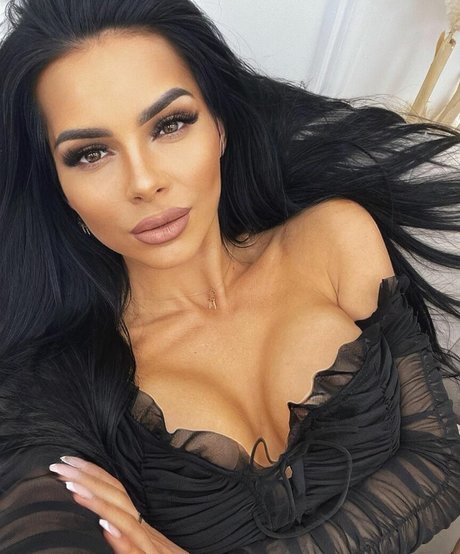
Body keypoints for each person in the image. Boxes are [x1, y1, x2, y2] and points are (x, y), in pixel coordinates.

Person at [0, 0, 459, 552]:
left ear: (219, 126)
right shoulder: (58, 382)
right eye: (91, 153)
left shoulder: (334, 238)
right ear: (57, 185)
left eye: (170, 124)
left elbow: (440, 461)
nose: (143, 182)